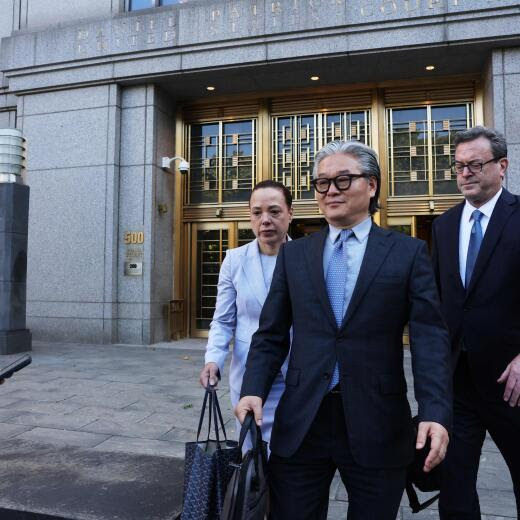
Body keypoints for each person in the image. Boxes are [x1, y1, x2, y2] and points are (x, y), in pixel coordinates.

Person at [235, 140, 452, 520]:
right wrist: (253, 388)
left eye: (342, 180)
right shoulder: (294, 254)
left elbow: (429, 338)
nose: (330, 190)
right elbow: (270, 334)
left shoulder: (408, 252)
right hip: (302, 421)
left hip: (377, 421)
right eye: (322, 183)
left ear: (371, 185)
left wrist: (434, 410)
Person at [432, 126, 520, 519]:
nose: (465, 172)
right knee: (455, 484)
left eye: (475, 164)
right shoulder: (444, 225)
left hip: (511, 381)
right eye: (459, 166)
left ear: (502, 166)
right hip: (457, 382)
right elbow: (438, 301)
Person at [199, 180, 293, 447]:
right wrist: (213, 359)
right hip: (249, 374)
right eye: (257, 212)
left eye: (274, 212)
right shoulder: (234, 260)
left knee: (291, 458)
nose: (265, 220)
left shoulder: (306, 257)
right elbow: (223, 319)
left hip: (295, 375)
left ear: (290, 213)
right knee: (253, 453)